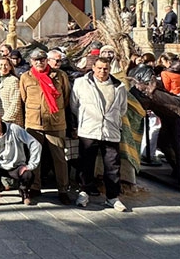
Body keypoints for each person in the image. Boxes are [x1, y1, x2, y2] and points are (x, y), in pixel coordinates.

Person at [70, 57, 129, 212]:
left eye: (106, 69)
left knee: (112, 165)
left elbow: (122, 109)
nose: (102, 71)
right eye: (100, 68)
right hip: (89, 129)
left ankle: (112, 197)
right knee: (86, 163)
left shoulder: (119, 87)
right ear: (93, 68)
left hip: (110, 131)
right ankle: (84, 191)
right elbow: (74, 105)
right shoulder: (81, 83)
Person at [19, 49, 71, 204]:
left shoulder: (60, 76)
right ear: (31, 61)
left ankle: (63, 189)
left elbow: (66, 97)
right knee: (35, 158)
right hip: (34, 123)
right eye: (36, 60)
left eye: (42, 59)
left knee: (60, 159)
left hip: (55, 123)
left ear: (47, 60)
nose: (39, 62)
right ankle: (35, 186)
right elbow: (23, 99)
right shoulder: (25, 78)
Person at [0, 109, 42, 207]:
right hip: (0, 167)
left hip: (16, 167)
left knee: (28, 175)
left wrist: (31, 165)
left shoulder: (14, 129)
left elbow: (35, 144)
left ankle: (24, 193)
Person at [0, 57, 23, 127]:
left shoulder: (13, 80)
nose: (3, 67)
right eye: (1, 65)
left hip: (12, 121)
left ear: (10, 67)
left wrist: (5, 119)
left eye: (6, 65)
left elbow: (16, 102)